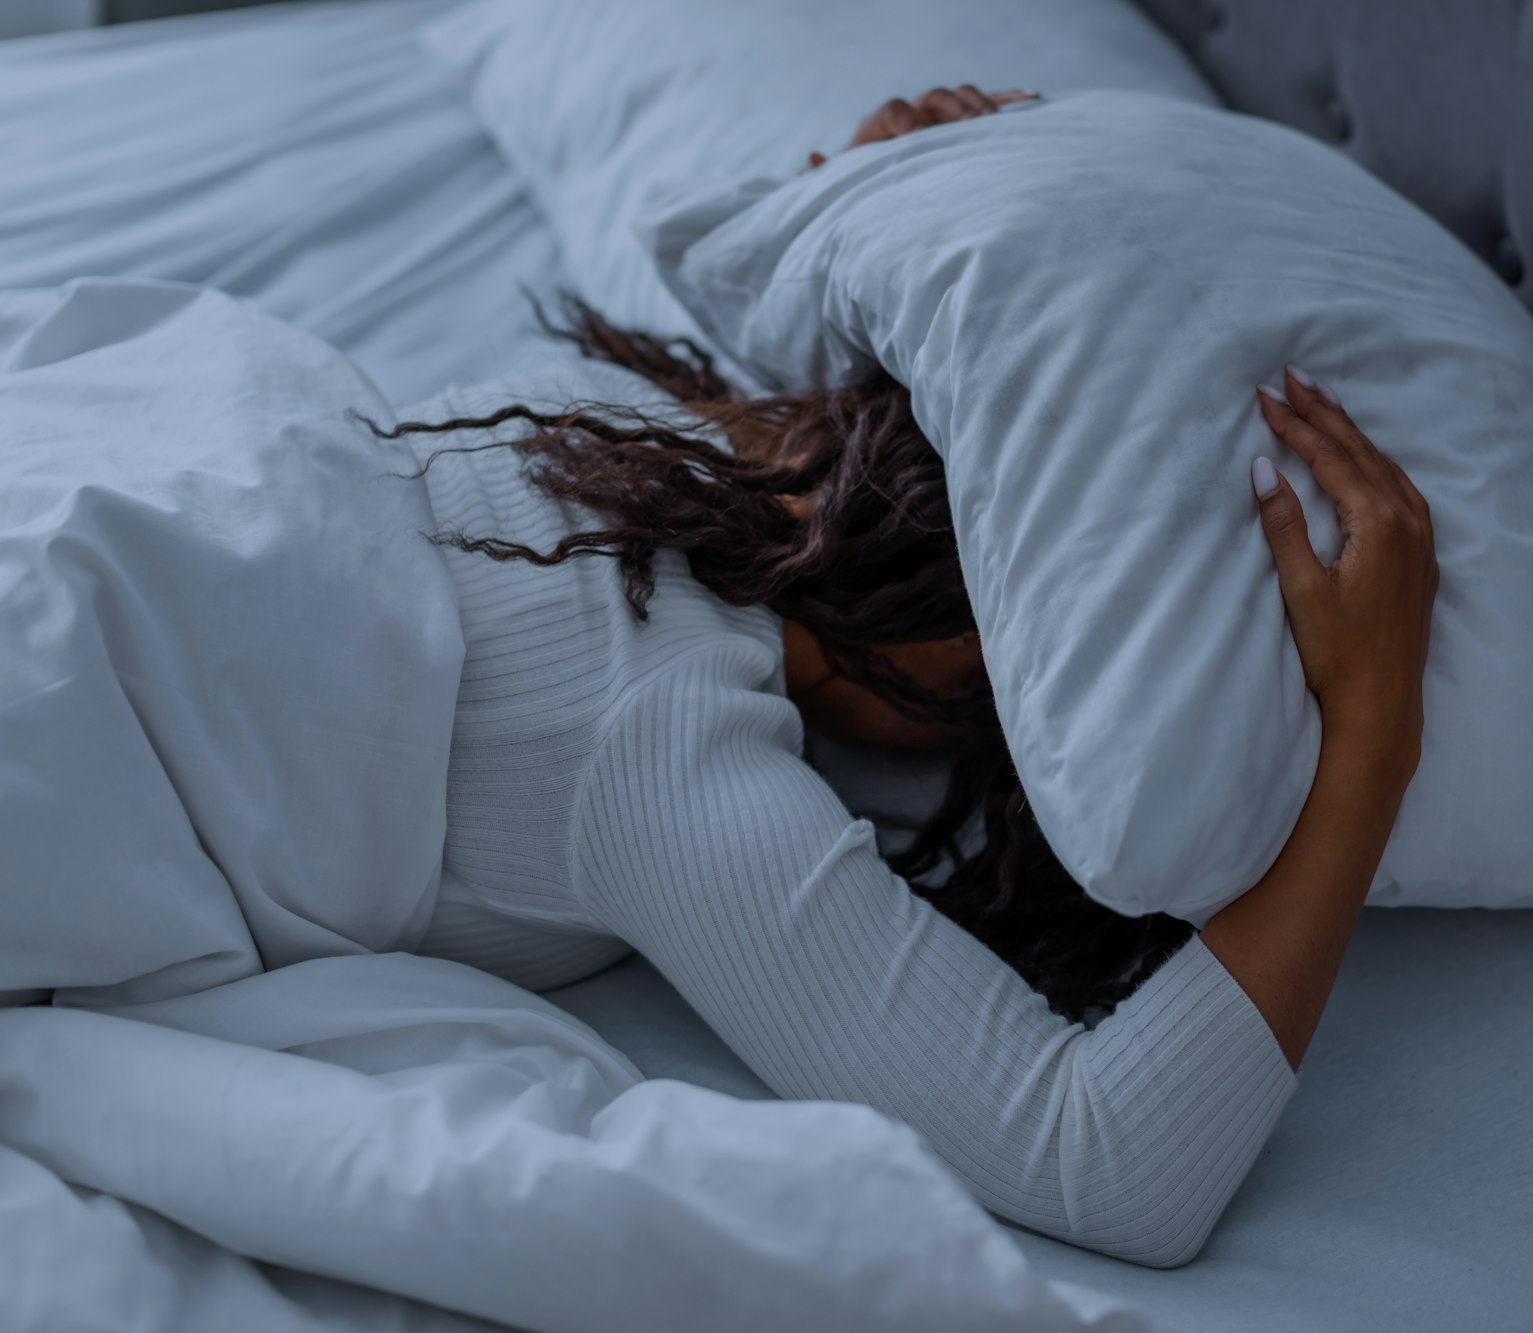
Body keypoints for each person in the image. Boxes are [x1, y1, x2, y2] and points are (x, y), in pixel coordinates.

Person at [394, 88, 1438, 1268]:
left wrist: (883, 205)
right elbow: (1101, 1164)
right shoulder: (654, 743)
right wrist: (1370, 734)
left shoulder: (620, 431)